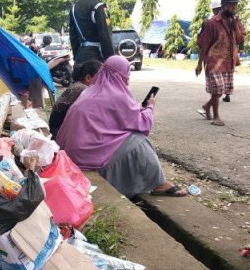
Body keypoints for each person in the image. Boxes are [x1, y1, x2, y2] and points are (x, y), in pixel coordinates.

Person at [56, 55, 186, 198]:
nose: (128, 78)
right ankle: (159, 183)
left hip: (72, 155)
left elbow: (108, 121)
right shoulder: (118, 95)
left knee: (125, 138)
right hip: (88, 159)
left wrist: (135, 109)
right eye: (127, 73)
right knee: (139, 140)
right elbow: (143, 125)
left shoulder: (90, 90)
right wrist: (150, 107)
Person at [195, 0, 246, 126]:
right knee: (217, 88)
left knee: (223, 90)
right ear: (223, 6)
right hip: (214, 60)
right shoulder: (212, 23)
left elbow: (240, 39)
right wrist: (199, 64)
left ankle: (206, 107)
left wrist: (235, 24)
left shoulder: (235, 21)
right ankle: (216, 117)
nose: (234, 8)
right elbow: (204, 44)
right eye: (231, 5)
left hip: (228, 61)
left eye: (235, 5)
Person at [69, 0, 115, 64]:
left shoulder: (74, 7)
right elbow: (105, 36)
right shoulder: (99, 6)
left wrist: (76, 56)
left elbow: (73, 37)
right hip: (97, 58)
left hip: (80, 57)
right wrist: (110, 60)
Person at [48, 59, 101, 138]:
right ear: (88, 78)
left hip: (56, 128)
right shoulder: (83, 90)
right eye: (101, 78)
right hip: (60, 132)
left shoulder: (78, 85)